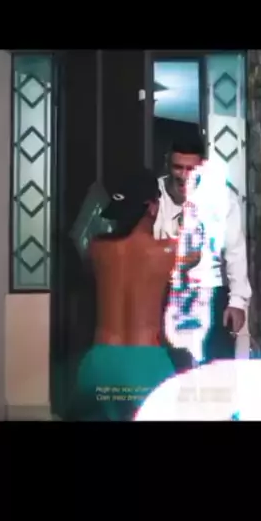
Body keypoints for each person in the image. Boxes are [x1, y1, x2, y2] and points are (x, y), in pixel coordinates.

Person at [68, 168, 201, 421]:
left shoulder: (97, 248)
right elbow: (197, 253)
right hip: (146, 365)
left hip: (99, 364)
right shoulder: (170, 251)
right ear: (151, 207)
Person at [154, 136, 251, 366]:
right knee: (172, 370)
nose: (184, 175)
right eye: (178, 167)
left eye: (191, 169)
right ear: (168, 164)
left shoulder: (221, 197)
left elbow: (235, 251)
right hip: (165, 292)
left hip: (211, 291)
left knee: (217, 370)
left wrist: (237, 301)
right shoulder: (155, 195)